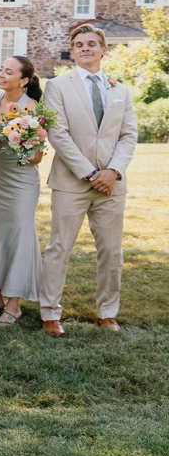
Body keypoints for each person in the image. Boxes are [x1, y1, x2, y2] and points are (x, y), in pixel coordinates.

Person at [39, 25, 137, 336]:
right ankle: (50, 313)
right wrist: (90, 173)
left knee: (111, 250)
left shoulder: (119, 89)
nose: (85, 48)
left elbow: (128, 134)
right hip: (71, 182)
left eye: (92, 44)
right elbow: (58, 134)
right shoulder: (57, 86)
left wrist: (113, 171)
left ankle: (108, 312)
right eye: (79, 44)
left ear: (103, 49)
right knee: (59, 247)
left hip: (112, 185)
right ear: (73, 50)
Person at [0, 56, 44, 326]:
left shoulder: (34, 107)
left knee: (18, 237)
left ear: (24, 80)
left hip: (21, 182)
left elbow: (38, 157)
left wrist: (22, 143)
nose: (1, 74)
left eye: (8, 71)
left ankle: (14, 304)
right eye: (1, 69)